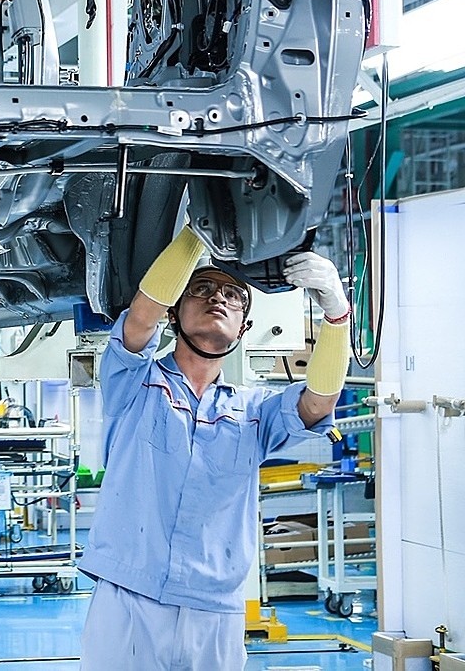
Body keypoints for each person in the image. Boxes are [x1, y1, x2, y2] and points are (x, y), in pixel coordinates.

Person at [78, 226, 351, 670]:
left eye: (232, 295)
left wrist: (337, 316)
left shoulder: (254, 411)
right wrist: (200, 231)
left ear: (245, 326)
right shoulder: (133, 380)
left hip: (215, 605)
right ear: (174, 313)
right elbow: (141, 317)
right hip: (130, 594)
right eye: (200, 289)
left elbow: (318, 402)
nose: (217, 298)